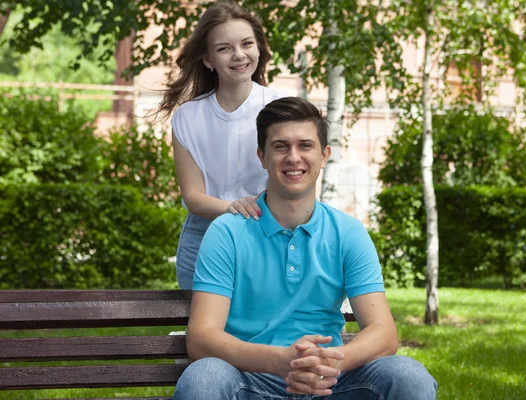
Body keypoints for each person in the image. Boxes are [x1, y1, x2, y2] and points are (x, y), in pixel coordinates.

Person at [174, 97, 437, 399]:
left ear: (325, 154)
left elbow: (384, 333)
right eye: (281, 146)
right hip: (251, 382)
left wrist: (328, 363)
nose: (293, 157)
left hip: (332, 381)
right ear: (261, 155)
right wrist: (279, 362)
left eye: (305, 145)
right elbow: (201, 339)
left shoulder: (348, 233)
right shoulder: (226, 232)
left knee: (409, 376)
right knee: (203, 377)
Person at [157, 1, 284, 289]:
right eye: (224, 48)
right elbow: (193, 197)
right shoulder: (188, 116)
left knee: (262, 331)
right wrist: (235, 207)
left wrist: (257, 213)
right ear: (207, 59)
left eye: (247, 44)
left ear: (259, 49)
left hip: (268, 230)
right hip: (204, 236)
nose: (239, 55)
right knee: (205, 331)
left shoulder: (282, 107)